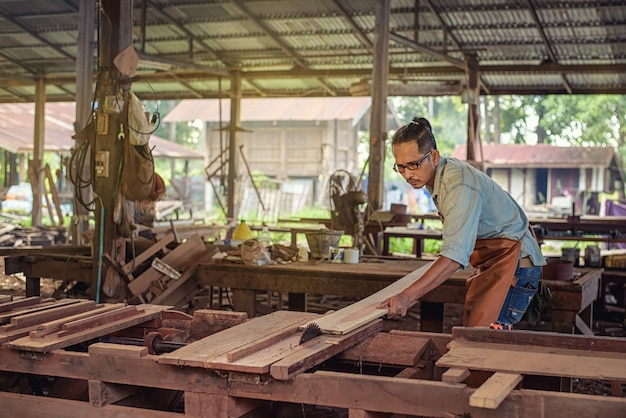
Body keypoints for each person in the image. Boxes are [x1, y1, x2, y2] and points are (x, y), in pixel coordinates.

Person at [376, 117, 546, 329]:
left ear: (434, 156)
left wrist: (407, 297)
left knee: (481, 342)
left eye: (413, 165)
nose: (408, 174)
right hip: (495, 262)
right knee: (475, 337)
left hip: (516, 265)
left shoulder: (457, 183)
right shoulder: (437, 176)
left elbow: (455, 256)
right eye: (400, 167)